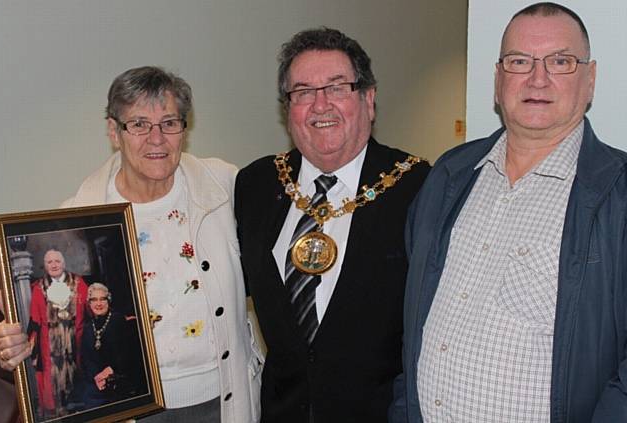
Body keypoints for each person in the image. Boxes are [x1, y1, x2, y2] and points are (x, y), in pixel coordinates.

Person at [390, 3, 627, 422]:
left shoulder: (618, 194)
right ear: (498, 79)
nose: (538, 78)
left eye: (561, 61)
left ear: (590, 80)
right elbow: (409, 322)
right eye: (519, 61)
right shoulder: (449, 174)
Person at [0, 66, 262, 423]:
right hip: (133, 409)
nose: (156, 138)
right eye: (138, 124)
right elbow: (59, 332)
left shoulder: (225, 187)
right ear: (113, 132)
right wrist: (15, 343)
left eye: (169, 122)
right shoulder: (76, 219)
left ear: (184, 129)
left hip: (225, 397)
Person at [235, 27, 430, 423]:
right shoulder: (256, 184)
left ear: (369, 100)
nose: (320, 105)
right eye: (303, 92)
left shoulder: (419, 187)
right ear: (287, 108)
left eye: (337, 87)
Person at [27, 248, 88, 418]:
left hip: (76, 340)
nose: (54, 265)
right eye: (49, 262)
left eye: (57, 261)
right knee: (52, 380)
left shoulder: (79, 282)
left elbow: (91, 307)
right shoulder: (38, 288)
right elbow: (35, 320)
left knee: (78, 377)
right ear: (44, 266)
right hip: (49, 344)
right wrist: (33, 348)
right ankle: (59, 412)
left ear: (64, 263)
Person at [81, 283, 144, 408]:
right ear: (89, 303)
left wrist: (108, 372)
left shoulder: (119, 320)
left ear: (108, 300)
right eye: (94, 300)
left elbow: (128, 353)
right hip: (97, 383)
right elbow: (86, 359)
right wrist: (96, 377)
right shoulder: (88, 327)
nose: (98, 304)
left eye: (102, 299)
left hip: (121, 379)